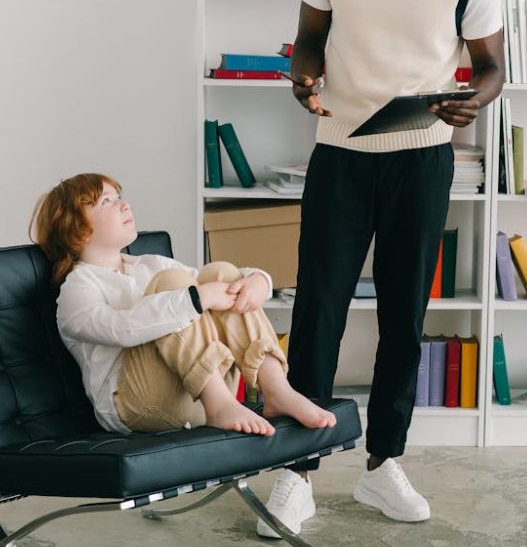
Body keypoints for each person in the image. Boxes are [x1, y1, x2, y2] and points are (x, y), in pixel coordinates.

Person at [257, 0, 505, 538]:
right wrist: (301, 77)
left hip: (421, 157)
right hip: (338, 151)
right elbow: (310, 36)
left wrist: (474, 100)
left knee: (403, 317)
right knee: (318, 312)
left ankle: (382, 465)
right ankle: (296, 473)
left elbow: (490, 66)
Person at [30, 172, 337, 439]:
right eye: (106, 202)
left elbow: (216, 284)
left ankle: (277, 390)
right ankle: (218, 403)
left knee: (220, 272)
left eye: (120, 196)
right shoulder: (77, 287)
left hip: (199, 395)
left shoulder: (150, 263)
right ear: (75, 229)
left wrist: (259, 281)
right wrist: (197, 298)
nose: (124, 204)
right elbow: (121, 329)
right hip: (137, 405)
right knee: (176, 286)